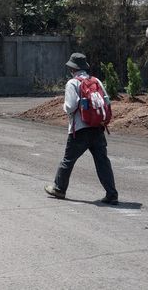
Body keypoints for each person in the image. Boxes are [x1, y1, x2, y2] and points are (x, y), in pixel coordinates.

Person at [45, 53, 118, 204]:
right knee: (102, 161)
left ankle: (59, 188)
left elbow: (71, 106)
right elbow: (106, 101)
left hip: (80, 130)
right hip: (98, 128)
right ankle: (112, 194)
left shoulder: (72, 83)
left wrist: (63, 107)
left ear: (72, 68)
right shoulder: (96, 80)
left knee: (68, 160)